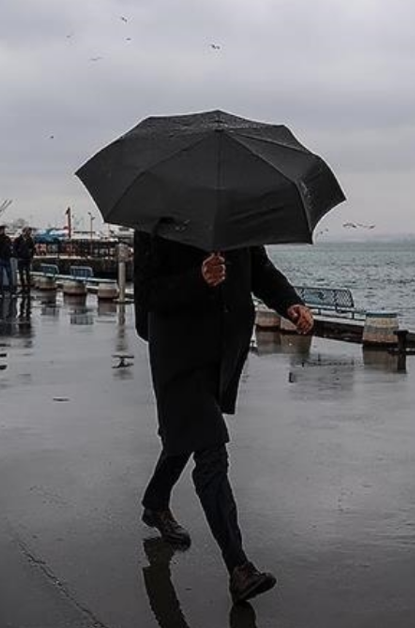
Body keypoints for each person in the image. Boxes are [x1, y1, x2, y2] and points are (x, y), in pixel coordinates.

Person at [133, 230, 314, 604]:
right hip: (178, 355)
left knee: (187, 434)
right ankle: (239, 567)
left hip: (220, 356)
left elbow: (259, 268)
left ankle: (155, 502)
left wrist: (289, 303)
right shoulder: (156, 218)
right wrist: (197, 279)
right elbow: (148, 295)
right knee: (211, 451)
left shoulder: (236, 210)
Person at [14, 227, 35, 293]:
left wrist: (31, 256)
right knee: (21, 274)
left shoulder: (30, 239)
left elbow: (33, 249)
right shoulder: (18, 239)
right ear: (24, 232)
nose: (29, 233)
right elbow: (15, 249)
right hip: (20, 259)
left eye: (30, 232)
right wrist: (17, 257)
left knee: (27, 273)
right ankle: (23, 288)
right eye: (28, 231)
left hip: (27, 259)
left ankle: (28, 288)